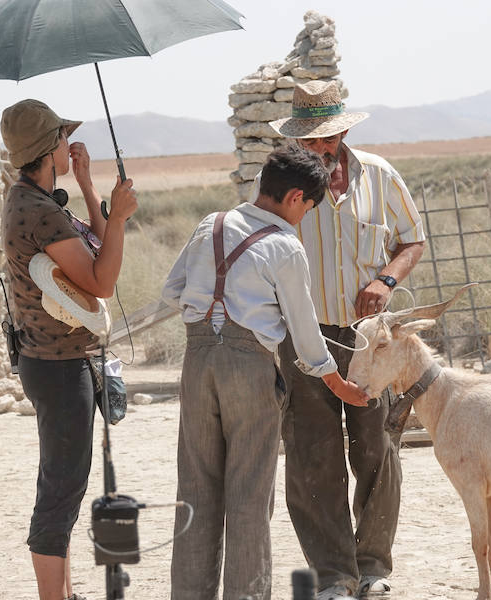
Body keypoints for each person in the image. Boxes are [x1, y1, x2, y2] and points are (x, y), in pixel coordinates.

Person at [162, 145, 369, 600]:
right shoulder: (284, 247)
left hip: (197, 362)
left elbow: (171, 290)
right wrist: (338, 383)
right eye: (310, 208)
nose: (305, 217)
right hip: (249, 365)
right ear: (296, 197)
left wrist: (211, 314)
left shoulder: (209, 225)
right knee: (250, 495)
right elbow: (304, 328)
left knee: (195, 488)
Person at [254, 80, 426, 599]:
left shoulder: (380, 175)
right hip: (301, 336)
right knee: (312, 453)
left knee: (376, 447)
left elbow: (412, 239)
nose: (319, 150)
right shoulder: (280, 184)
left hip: (369, 341)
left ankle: (373, 567)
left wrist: (386, 280)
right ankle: (333, 576)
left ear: (344, 131)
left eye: (326, 139)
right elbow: (258, 246)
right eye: (308, 141)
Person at [0, 99, 137, 600]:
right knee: (61, 491)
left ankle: (66, 593)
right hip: (58, 370)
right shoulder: (38, 212)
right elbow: (103, 281)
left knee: (66, 483)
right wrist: (118, 216)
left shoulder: (35, 200)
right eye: (62, 138)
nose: (69, 144)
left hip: (55, 363)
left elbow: (96, 254)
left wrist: (87, 185)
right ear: (46, 148)